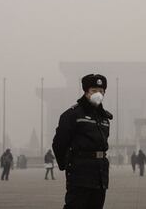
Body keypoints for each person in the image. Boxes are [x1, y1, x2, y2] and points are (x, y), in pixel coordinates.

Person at [53, 74, 112, 209]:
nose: (98, 94)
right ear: (86, 92)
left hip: (100, 174)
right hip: (80, 173)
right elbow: (59, 143)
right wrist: (68, 165)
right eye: (94, 91)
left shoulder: (104, 118)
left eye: (101, 91)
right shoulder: (73, 114)